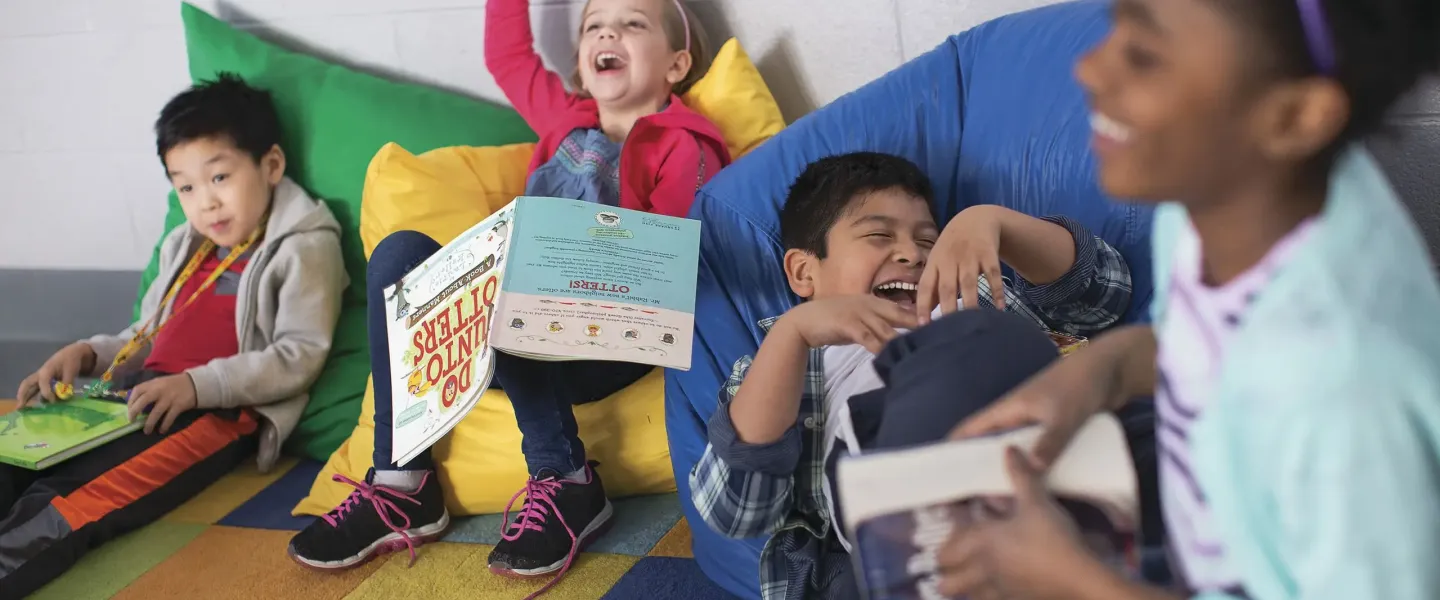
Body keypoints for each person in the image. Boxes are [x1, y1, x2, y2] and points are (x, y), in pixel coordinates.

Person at [935, 0, 1440, 598]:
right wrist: (1104, 370)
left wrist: (1074, 581)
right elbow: (1221, 356)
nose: (1088, 69)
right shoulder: (1222, 201)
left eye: (1144, 55)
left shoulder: (1343, 391)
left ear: (1297, 115)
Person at [286, 0, 731, 590]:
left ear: (676, 64)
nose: (609, 33)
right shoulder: (565, 118)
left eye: (632, 23)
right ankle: (402, 484)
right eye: (594, 25)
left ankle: (567, 479)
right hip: (508, 326)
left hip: (608, 338)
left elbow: (672, 259)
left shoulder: (684, 145)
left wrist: (560, 264)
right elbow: (507, 56)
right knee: (398, 254)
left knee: (521, 273)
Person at [688, 152, 1133, 600]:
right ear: (804, 272)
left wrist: (994, 224)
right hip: (904, 516)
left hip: (1055, 459)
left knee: (1010, 341)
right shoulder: (783, 364)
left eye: (928, 240)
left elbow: (1102, 298)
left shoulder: (966, 296)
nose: (912, 254)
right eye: (879, 235)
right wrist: (791, 334)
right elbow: (737, 512)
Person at [1, 73, 347, 598]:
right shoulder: (185, 245)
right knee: (14, 461)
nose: (206, 202)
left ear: (271, 165)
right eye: (186, 187)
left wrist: (194, 386)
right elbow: (147, 333)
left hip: (210, 415)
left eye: (220, 177)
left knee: (68, 501)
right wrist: (90, 353)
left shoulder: (305, 247)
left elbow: (298, 356)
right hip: (131, 394)